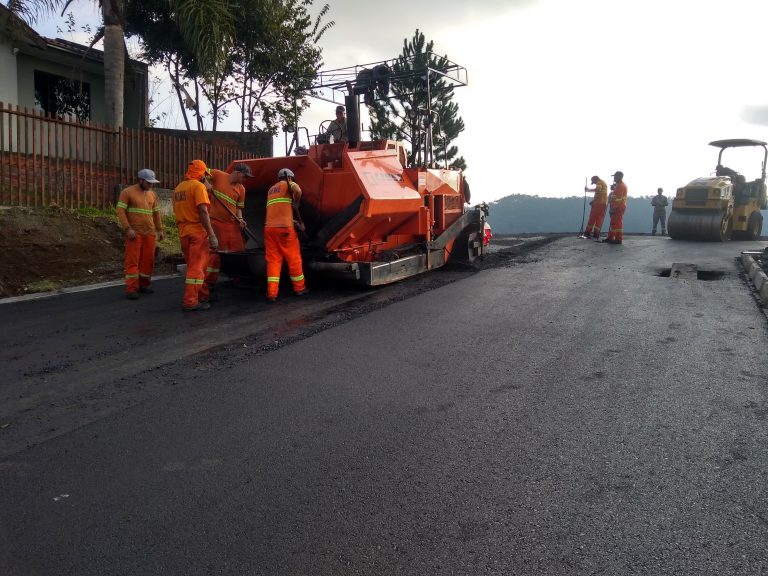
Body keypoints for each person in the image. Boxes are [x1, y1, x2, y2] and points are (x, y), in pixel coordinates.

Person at [172, 159, 219, 312]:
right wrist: (211, 234)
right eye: (205, 175)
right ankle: (191, 301)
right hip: (197, 232)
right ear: (202, 174)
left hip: (183, 232)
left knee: (196, 267)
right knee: (197, 269)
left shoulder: (179, 188)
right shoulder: (198, 186)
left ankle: (203, 294)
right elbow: (203, 211)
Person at [116, 169, 165, 299]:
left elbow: (156, 213)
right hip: (134, 234)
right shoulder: (127, 192)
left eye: (152, 183)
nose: (151, 185)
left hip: (149, 234)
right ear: (141, 180)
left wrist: (160, 230)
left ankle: (144, 284)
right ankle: (132, 289)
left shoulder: (152, 195)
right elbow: (120, 211)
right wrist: (128, 228)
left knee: (148, 261)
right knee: (132, 262)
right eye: (148, 183)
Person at [205, 163, 251, 296]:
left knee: (239, 251)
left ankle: (238, 278)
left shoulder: (241, 189)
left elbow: (239, 208)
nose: (245, 180)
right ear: (237, 172)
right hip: (216, 222)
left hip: (232, 224)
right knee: (217, 254)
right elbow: (201, 171)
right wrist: (205, 183)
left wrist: (240, 219)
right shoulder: (218, 175)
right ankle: (209, 283)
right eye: (245, 176)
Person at [264, 168, 308, 303]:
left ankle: (272, 294)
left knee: (273, 261)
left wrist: (294, 221)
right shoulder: (289, 185)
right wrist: (297, 201)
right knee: (293, 259)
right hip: (285, 230)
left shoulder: (271, 190)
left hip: (269, 229)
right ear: (290, 178)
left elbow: (279, 211)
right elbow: (298, 191)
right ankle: (299, 288)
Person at [603, 171, 628, 244]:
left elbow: (619, 199)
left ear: (620, 177)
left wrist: (613, 208)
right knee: (613, 223)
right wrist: (613, 189)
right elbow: (615, 196)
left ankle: (618, 239)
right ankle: (610, 237)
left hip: (618, 207)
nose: (614, 178)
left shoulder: (621, 186)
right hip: (615, 206)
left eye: (615, 176)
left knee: (617, 223)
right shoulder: (618, 185)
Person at [581, 175, 608, 239]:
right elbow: (600, 194)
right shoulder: (604, 183)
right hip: (603, 203)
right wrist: (593, 200)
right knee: (599, 218)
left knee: (592, 218)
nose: (595, 184)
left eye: (594, 182)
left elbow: (598, 189)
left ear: (596, 180)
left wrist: (588, 190)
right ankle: (596, 234)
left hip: (598, 204)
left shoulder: (599, 183)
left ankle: (587, 233)